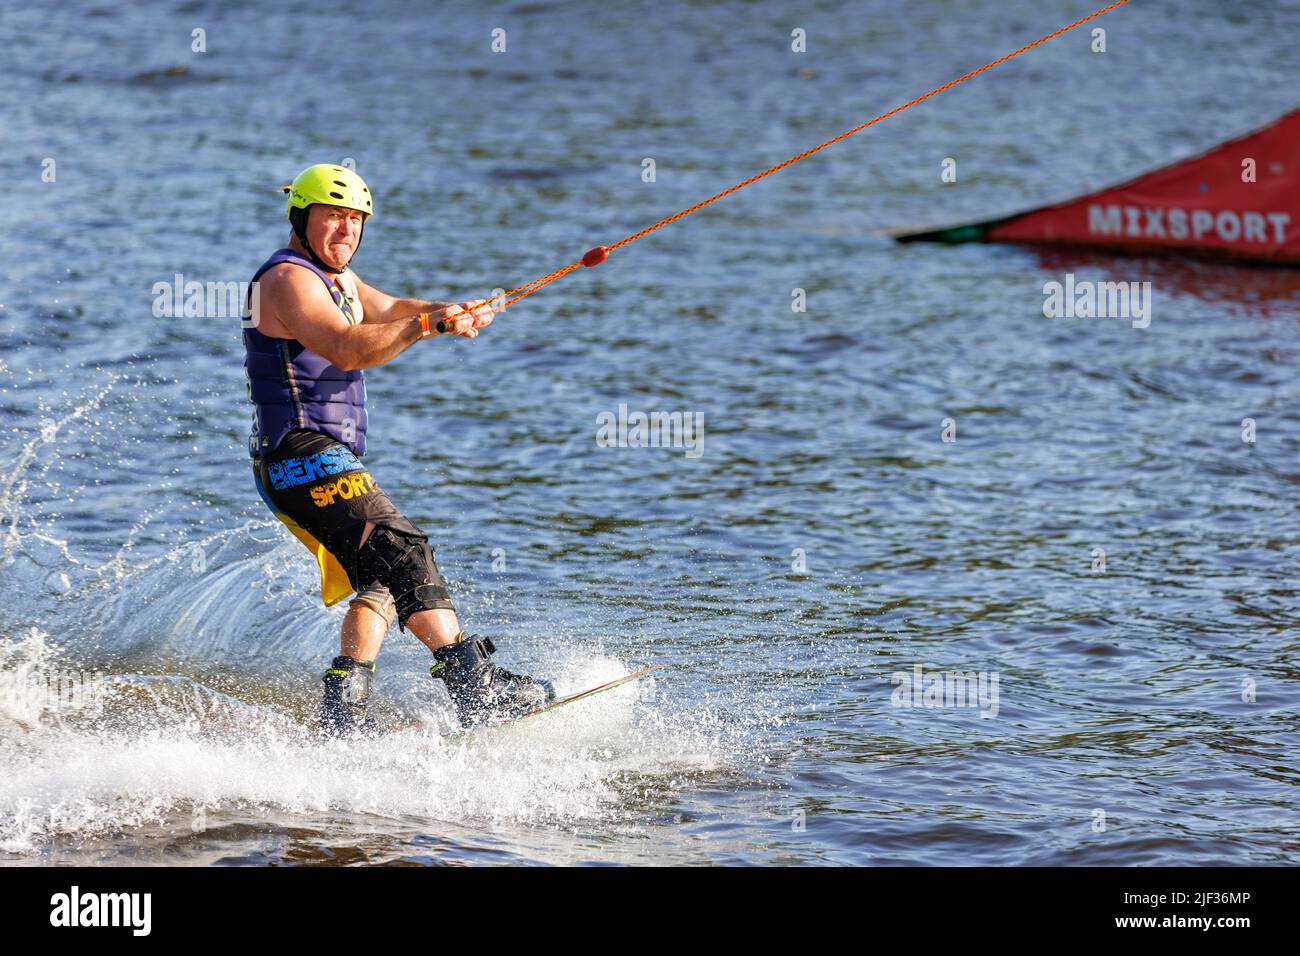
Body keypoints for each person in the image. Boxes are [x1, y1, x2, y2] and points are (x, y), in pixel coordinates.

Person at [243, 163, 553, 736]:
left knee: (383, 578)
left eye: (356, 220)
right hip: (299, 454)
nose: (346, 231)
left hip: (317, 459)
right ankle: (475, 687)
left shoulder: (339, 280)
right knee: (401, 548)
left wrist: (453, 309)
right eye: (333, 217)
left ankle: (344, 709)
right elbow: (347, 348)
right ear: (300, 217)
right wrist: (427, 326)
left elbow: (388, 309)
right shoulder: (288, 280)